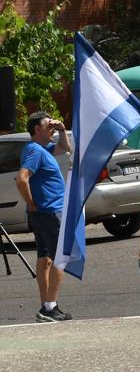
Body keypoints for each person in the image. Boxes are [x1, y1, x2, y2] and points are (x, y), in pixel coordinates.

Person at [16, 111, 72, 322]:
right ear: (37, 130)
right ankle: (49, 307)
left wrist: (61, 130)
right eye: (48, 126)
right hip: (49, 213)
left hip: (45, 214)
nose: (52, 129)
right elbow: (22, 179)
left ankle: (46, 306)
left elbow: (66, 149)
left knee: (45, 259)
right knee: (61, 258)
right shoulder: (34, 151)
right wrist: (31, 203)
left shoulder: (42, 148)